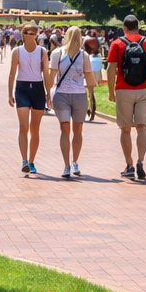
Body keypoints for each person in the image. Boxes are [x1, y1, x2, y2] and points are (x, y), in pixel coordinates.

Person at [107, 14, 146, 181]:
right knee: (142, 127)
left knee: (125, 129)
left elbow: (110, 69)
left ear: (124, 28)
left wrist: (111, 91)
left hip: (124, 89)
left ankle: (129, 164)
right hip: (144, 88)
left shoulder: (117, 44)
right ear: (138, 27)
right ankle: (141, 161)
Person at [48, 26, 95, 178]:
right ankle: (71, 163)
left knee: (68, 130)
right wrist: (91, 96)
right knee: (75, 130)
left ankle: (70, 164)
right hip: (71, 94)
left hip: (70, 93)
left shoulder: (82, 55)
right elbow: (90, 80)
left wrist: (47, 93)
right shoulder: (61, 54)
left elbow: (51, 76)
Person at [8, 25, 49, 174]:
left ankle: (32, 161)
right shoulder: (17, 51)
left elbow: (46, 73)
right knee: (23, 126)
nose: (31, 35)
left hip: (38, 89)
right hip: (22, 88)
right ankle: (24, 160)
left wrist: (48, 93)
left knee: (35, 128)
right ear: (23, 34)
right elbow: (12, 73)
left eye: (34, 33)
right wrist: (9, 93)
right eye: (28, 33)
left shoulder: (42, 52)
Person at [84, 34, 102, 123]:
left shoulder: (87, 55)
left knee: (89, 94)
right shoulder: (97, 56)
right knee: (90, 94)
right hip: (92, 75)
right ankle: (89, 110)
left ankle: (90, 111)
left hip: (89, 75)